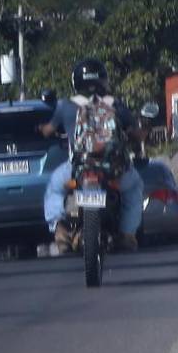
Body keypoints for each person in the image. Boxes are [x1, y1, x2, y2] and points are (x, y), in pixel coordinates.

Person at [40, 57, 146, 252]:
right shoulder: (116, 105)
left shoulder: (65, 105)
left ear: (76, 82)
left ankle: (60, 230)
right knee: (134, 187)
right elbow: (135, 134)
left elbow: (47, 131)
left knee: (55, 187)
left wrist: (41, 129)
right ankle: (127, 234)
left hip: (78, 169)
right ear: (103, 80)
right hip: (113, 170)